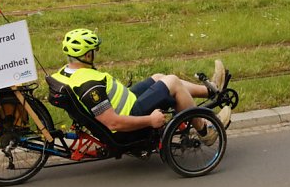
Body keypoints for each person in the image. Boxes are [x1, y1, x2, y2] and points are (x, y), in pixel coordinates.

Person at [51, 28, 231, 144]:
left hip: (128, 103)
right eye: (94, 51)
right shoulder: (89, 86)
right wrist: (150, 120)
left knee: (159, 77)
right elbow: (113, 122)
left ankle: (212, 89)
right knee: (172, 83)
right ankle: (205, 131)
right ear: (87, 56)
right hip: (128, 121)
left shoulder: (65, 73)